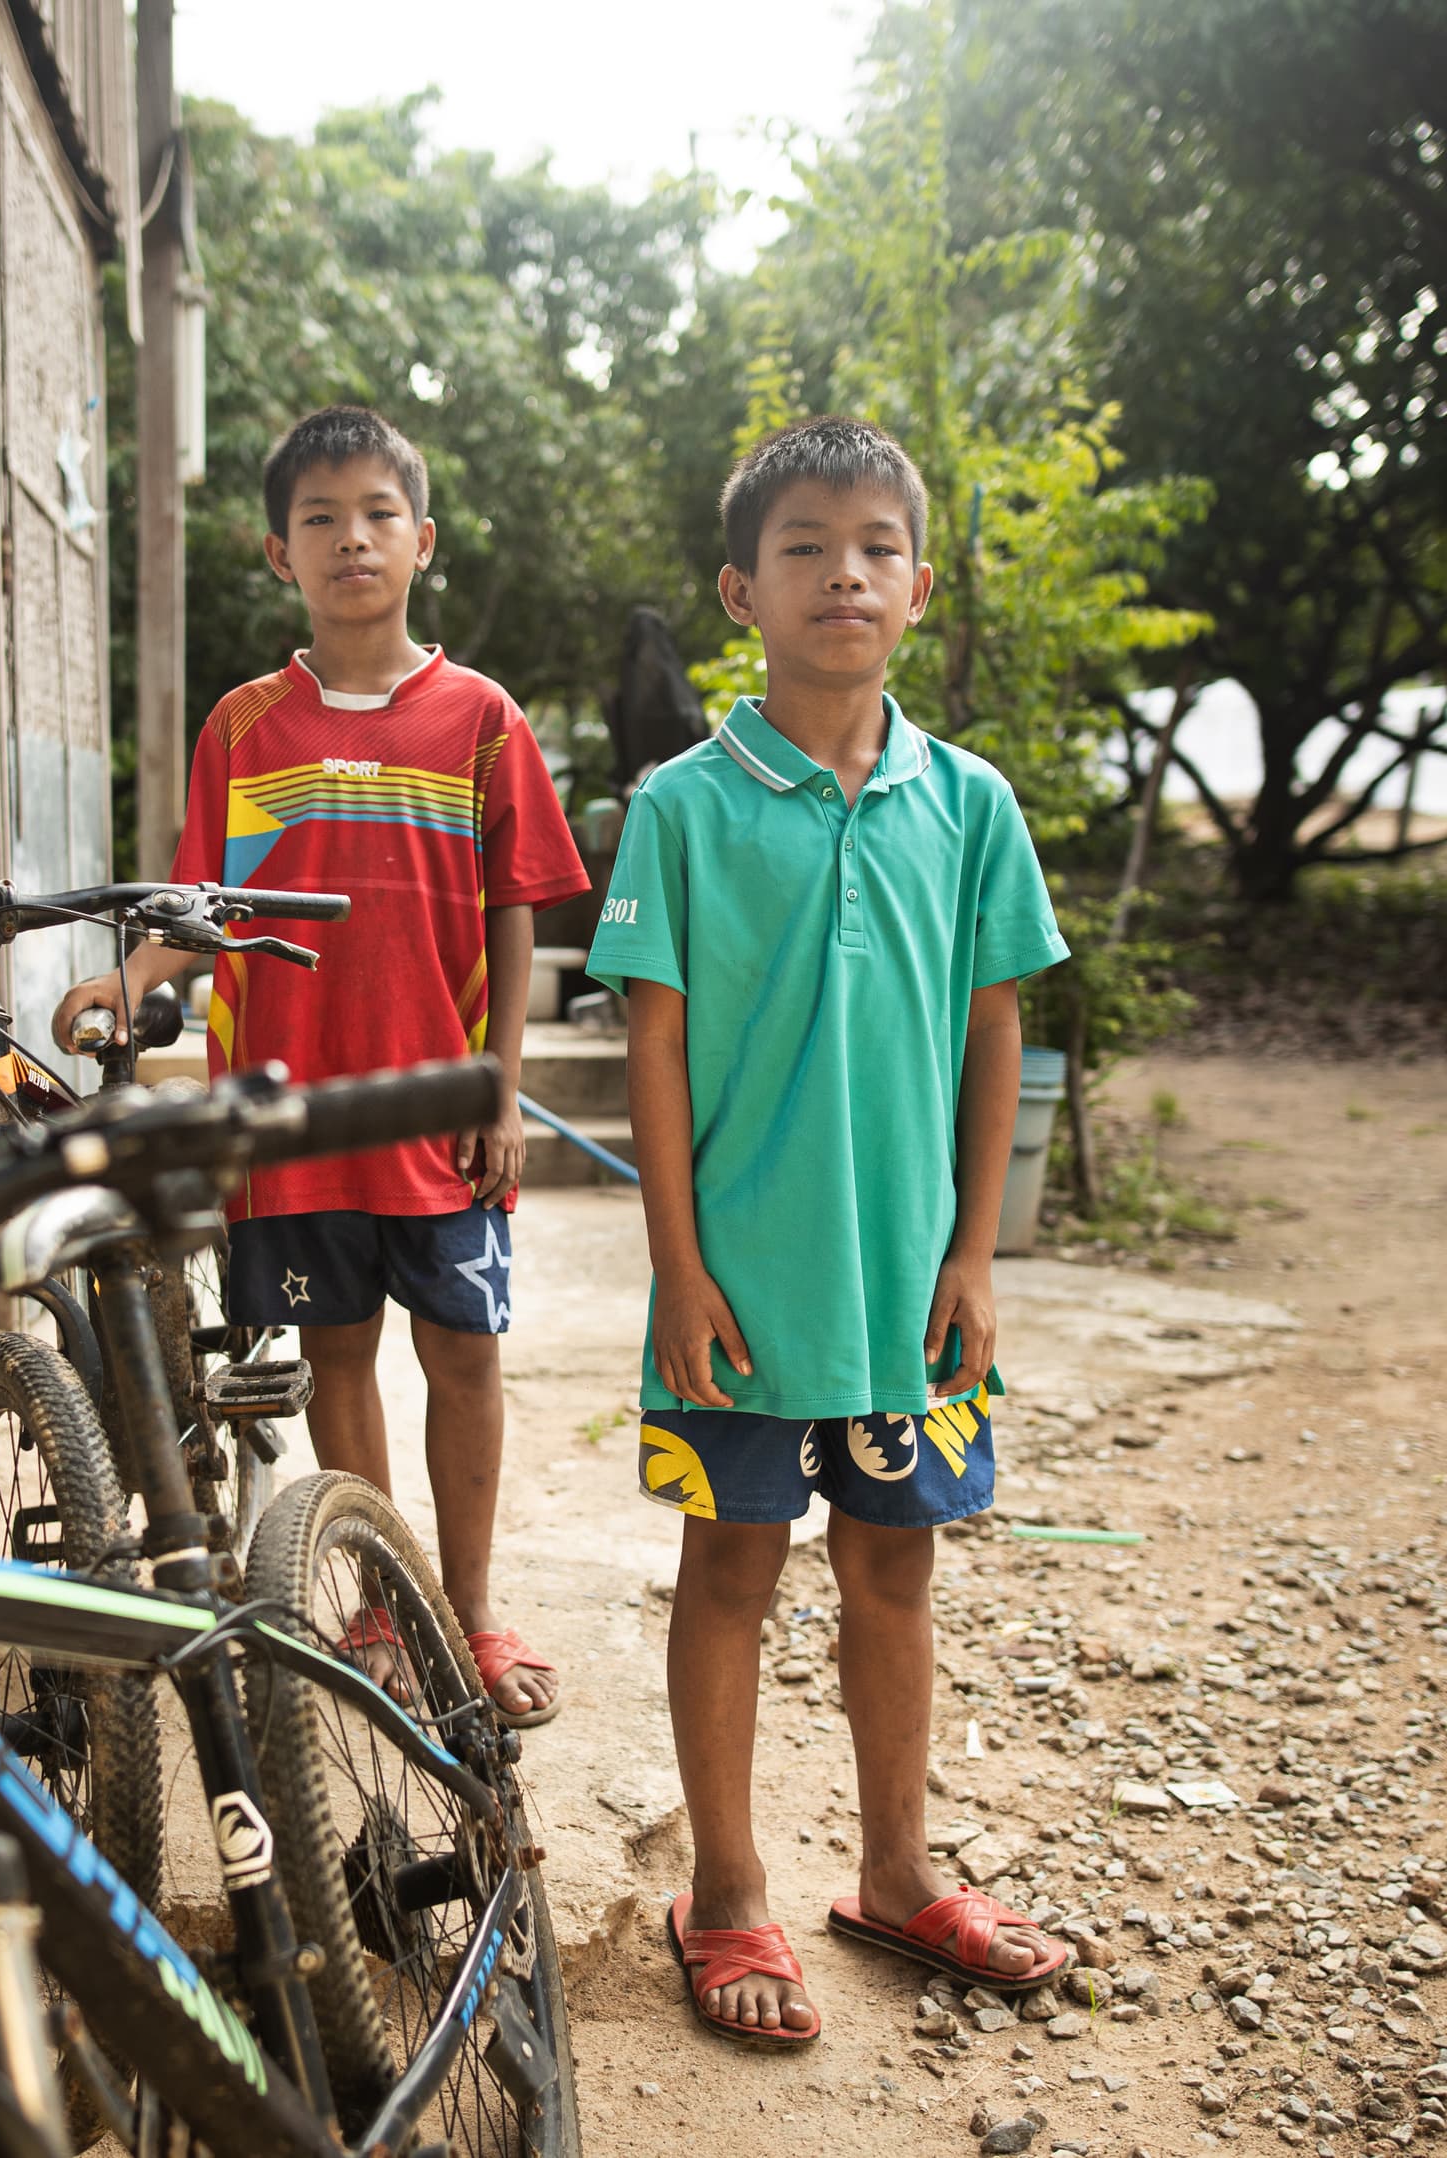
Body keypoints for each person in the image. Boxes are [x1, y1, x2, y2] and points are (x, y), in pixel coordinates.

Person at [585, 416, 1073, 2048]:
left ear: (919, 586)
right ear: (743, 589)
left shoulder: (971, 802)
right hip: (738, 1289)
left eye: (873, 546)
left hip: (906, 1293)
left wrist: (975, 1251)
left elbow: (995, 1024)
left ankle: (897, 1869)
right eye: (803, 546)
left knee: (894, 1565)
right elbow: (651, 1039)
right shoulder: (683, 807)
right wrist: (677, 1263)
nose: (841, 572)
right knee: (728, 1564)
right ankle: (725, 1887)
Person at [58, 404, 587, 1728]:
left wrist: (497, 1084)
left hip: (442, 1121)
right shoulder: (244, 727)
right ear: (279, 551)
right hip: (291, 1121)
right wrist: (129, 982)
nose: (351, 539)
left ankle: (466, 1608)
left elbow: (516, 905)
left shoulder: (481, 718)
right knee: (340, 1355)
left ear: (422, 539)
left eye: (376, 515)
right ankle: (383, 1605)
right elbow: (208, 908)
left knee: (464, 1352)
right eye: (319, 519)